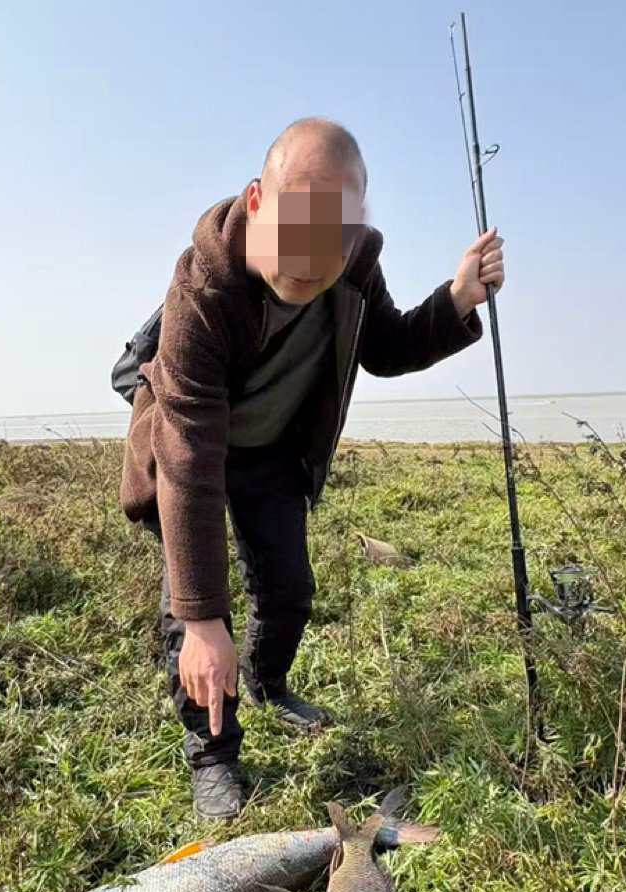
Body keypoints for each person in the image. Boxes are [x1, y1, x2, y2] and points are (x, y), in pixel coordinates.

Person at [119, 117, 505, 821]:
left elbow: (385, 346)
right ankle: (213, 755)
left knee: (290, 590)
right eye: (294, 223)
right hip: (193, 448)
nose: (308, 255)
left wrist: (455, 301)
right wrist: (204, 620)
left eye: (333, 231)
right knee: (193, 612)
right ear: (257, 201)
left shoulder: (354, 264)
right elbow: (188, 453)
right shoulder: (203, 289)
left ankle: (267, 684)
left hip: (271, 448)